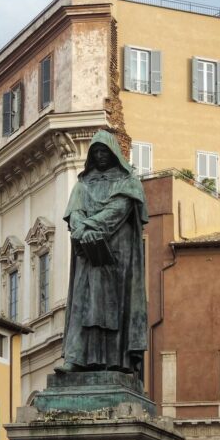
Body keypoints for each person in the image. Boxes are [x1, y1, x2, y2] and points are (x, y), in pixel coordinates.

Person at [55, 129, 148, 375]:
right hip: (88, 251)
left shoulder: (129, 182)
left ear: (114, 152)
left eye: (104, 151)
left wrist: (87, 226)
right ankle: (76, 358)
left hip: (118, 256)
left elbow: (118, 210)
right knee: (82, 304)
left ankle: (116, 362)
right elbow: (74, 212)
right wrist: (80, 228)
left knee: (113, 306)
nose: (100, 155)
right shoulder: (83, 184)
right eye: (95, 152)